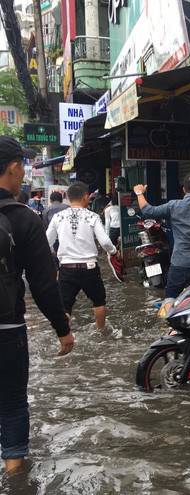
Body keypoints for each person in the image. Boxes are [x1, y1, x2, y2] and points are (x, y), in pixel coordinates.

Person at [0, 135, 74, 474]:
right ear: (14, 169)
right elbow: (43, 285)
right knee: (13, 404)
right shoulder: (24, 217)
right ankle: (15, 477)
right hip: (7, 327)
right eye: (23, 166)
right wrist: (63, 329)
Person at [133, 173, 190, 299]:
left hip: (179, 264)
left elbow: (149, 211)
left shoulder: (173, 205)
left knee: (170, 299)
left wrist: (139, 193)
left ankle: (168, 318)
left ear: (183, 190)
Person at [46, 181, 121, 333]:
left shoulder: (58, 217)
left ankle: (65, 337)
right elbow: (105, 242)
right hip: (89, 268)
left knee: (65, 306)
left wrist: (54, 253)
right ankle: (100, 334)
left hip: (66, 268)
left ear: (67, 197)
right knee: (99, 302)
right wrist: (114, 252)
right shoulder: (92, 216)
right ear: (86, 197)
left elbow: (46, 241)